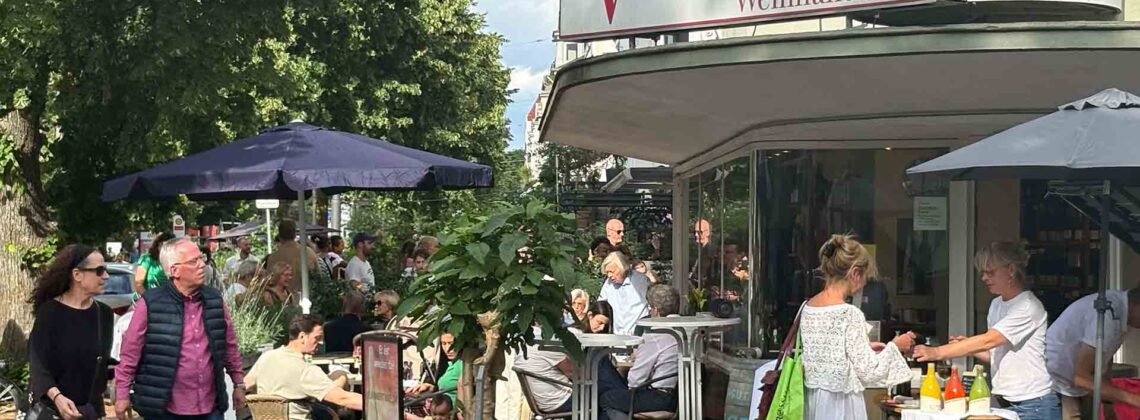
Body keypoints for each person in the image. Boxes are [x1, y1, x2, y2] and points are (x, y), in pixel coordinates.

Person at [914, 241, 1059, 420]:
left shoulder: (1028, 306)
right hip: (1005, 400)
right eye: (982, 273)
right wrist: (967, 346)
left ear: (1011, 270)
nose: (984, 278)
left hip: (1033, 403)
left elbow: (989, 340)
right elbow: (994, 353)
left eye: (990, 272)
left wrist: (937, 352)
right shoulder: (996, 304)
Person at [115, 237, 246, 419]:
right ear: (174, 270)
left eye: (202, 259)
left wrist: (238, 384)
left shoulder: (214, 299)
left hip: (210, 407)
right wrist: (122, 393)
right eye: (194, 261)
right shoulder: (151, 304)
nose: (202, 265)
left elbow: (229, 345)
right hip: (165, 408)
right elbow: (130, 352)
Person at [801, 234, 915, 420]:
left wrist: (865, 346)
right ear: (855, 273)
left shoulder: (808, 307)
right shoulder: (849, 313)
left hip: (813, 402)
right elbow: (869, 372)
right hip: (841, 405)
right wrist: (896, 346)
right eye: (865, 277)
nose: (864, 284)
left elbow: (825, 353)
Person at [28, 245, 114, 420]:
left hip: (89, 411)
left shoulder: (104, 313)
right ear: (77, 275)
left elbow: (100, 361)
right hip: (54, 409)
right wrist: (57, 397)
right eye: (99, 270)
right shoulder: (50, 312)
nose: (106, 276)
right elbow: (38, 365)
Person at [245, 314, 364, 420]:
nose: (321, 342)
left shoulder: (267, 357)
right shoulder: (306, 370)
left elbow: (246, 384)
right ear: (302, 337)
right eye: (317, 338)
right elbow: (342, 399)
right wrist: (376, 404)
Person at [1046, 288, 1140, 418]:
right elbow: (1081, 377)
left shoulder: (1123, 312)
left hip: (1079, 383)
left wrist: (1107, 404)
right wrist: (1133, 399)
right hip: (1057, 381)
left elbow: (1104, 357)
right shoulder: (1107, 314)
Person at [598, 284, 681, 419]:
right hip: (681, 395)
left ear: (655, 310)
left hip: (659, 397)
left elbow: (635, 381)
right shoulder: (688, 330)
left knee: (607, 398)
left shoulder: (655, 335)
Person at [598, 251, 650, 336]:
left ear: (622, 267)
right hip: (616, 337)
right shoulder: (608, 284)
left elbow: (652, 306)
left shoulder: (640, 281)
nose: (609, 275)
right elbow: (601, 305)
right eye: (607, 272)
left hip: (638, 336)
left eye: (612, 271)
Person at [514, 343, 574, 415]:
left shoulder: (522, 348)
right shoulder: (549, 347)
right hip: (561, 401)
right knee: (590, 394)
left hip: (542, 403)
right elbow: (574, 374)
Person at [265, 220, 321, 293]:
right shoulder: (308, 253)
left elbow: (269, 282)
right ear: (295, 234)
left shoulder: (273, 257)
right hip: (305, 298)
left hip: (281, 300)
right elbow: (319, 277)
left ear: (280, 236)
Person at [406, 332, 462, 402]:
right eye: (444, 344)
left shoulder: (463, 365)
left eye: (451, 343)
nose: (447, 349)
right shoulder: (451, 364)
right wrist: (429, 387)